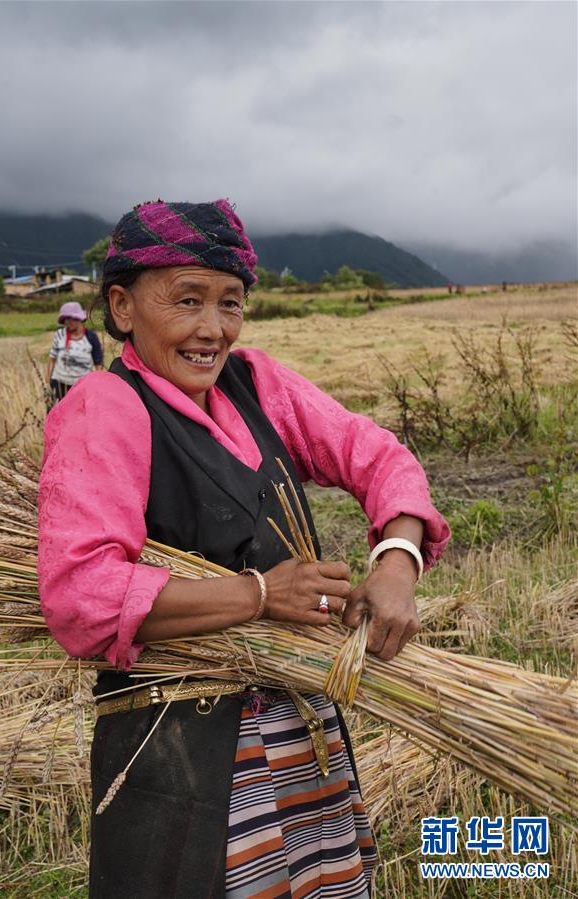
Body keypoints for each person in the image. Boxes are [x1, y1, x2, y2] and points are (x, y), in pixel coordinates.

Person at [38, 199, 450, 899]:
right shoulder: (105, 406)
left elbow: (377, 456)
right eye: (187, 299)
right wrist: (260, 594)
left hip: (301, 728)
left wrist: (398, 561)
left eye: (230, 302)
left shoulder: (256, 384)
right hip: (184, 756)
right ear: (123, 307)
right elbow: (80, 594)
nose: (213, 328)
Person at [44, 300, 103, 403]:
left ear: (79, 319)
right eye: (66, 319)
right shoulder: (60, 335)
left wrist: (97, 385)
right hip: (59, 384)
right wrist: (47, 383)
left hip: (82, 386)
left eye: (71, 319)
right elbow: (52, 360)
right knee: (56, 411)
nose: (68, 322)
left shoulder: (91, 337)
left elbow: (98, 364)